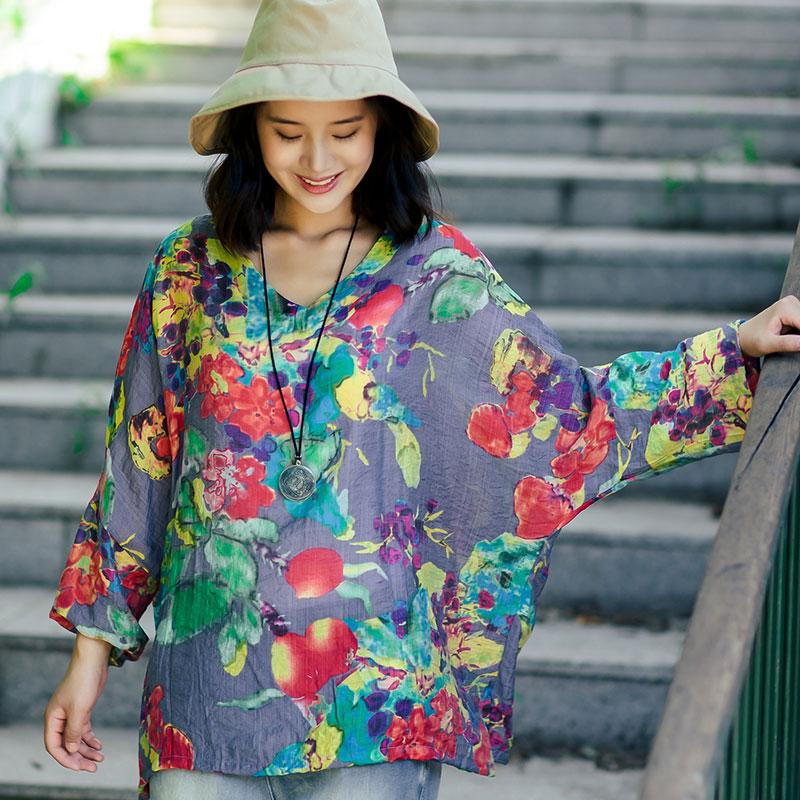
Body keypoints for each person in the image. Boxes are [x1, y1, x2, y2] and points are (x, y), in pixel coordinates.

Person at [42, 0, 799, 799]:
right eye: (287, 132)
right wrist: (88, 657)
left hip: (377, 701)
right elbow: (140, 464)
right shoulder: (187, 270)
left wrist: (732, 355)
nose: (318, 159)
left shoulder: (437, 275)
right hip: (206, 698)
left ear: (382, 127)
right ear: (250, 130)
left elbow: (565, 415)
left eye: (346, 130)